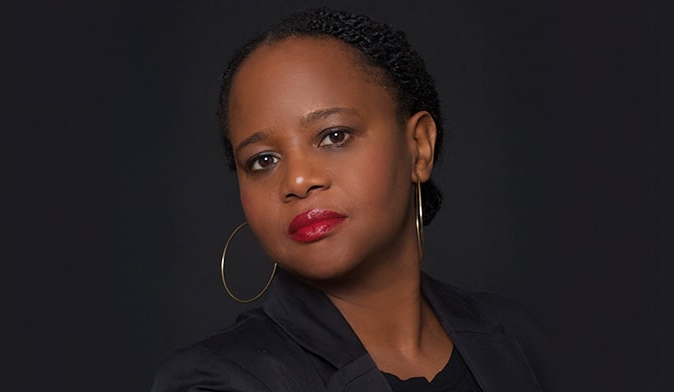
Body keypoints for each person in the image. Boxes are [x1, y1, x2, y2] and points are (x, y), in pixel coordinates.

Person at [153, 7, 555, 392]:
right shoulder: (215, 380)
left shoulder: (517, 338)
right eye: (263, 160)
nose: (297, 180)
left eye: (333, 136)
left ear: (419, 147)